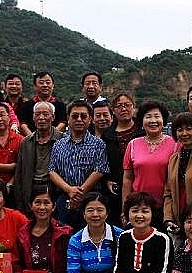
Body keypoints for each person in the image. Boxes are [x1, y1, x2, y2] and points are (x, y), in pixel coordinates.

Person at [48, 100, 109, 231]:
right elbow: (52, 171)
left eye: (84, 116)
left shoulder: (98, 144)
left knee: (90, 234)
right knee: (63, 234)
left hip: (91, 199)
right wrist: (69, 190)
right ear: (68, 118)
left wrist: (79, 193)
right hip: (64, 197)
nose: (79, 120)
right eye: (75, 116)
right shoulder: (58, 144)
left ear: (90, 119)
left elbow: (99, 170)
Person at [122, 101, 177, 229]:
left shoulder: (175, 144)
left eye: (157, 116)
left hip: (165, 208)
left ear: (163, 120)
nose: (153, 121)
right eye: (148, 117)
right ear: (141, 121)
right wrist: (125, 208)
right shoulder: (133, 144)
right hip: (138, 208)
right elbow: (127, 179)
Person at [163, 112, 192, 248]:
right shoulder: (173, 159)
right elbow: (168, 192)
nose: (184, 133)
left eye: (189, 129)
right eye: (180, 130)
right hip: (176, 222)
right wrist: (168, 219)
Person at [14, 101, 63, 214]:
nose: (41, 118)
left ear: (53, 117)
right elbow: (19, 173)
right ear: (33, 117)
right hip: (31, 188)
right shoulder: (26, 142)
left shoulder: (63, 140)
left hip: (54, 189)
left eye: (45, 114)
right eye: (37, 114)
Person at [91, 99, 123, 226]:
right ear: (92, 119)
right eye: (98, 115)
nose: (102, 119)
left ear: (112, 117)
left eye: (105, 115)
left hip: (112, 192)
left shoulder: (117, 138)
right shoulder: (86, 138)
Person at [18, 71, 68, 136]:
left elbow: (63, 123)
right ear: (35, 86)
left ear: (53, 85)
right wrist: (32, 138)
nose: (45, 85)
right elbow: (23, 124)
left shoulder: (60, 105)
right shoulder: (26, 105)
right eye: (41, 83)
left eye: (48, 82)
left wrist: (51, 136)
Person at [111, 93, 139, 158]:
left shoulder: (143, 129)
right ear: (113, 111)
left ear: (134, 108)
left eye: (127, 105)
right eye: (119, 106)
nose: (123, 109)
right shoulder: (108, 134)